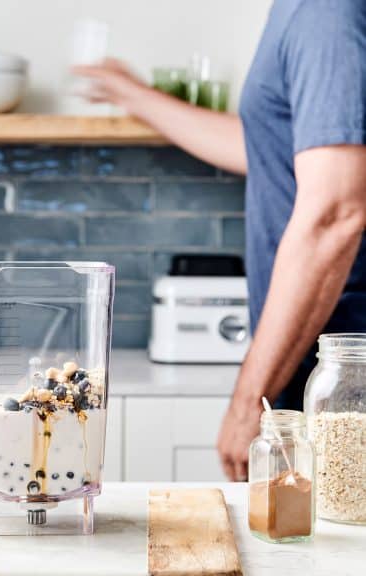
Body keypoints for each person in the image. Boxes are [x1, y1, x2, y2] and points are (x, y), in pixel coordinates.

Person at [73, 0, 366, 481]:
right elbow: (270, 150)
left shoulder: (324, 9)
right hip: (324, 363)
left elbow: (334, 212)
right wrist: (136, 96)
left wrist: (251, 400)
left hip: (342, 377)